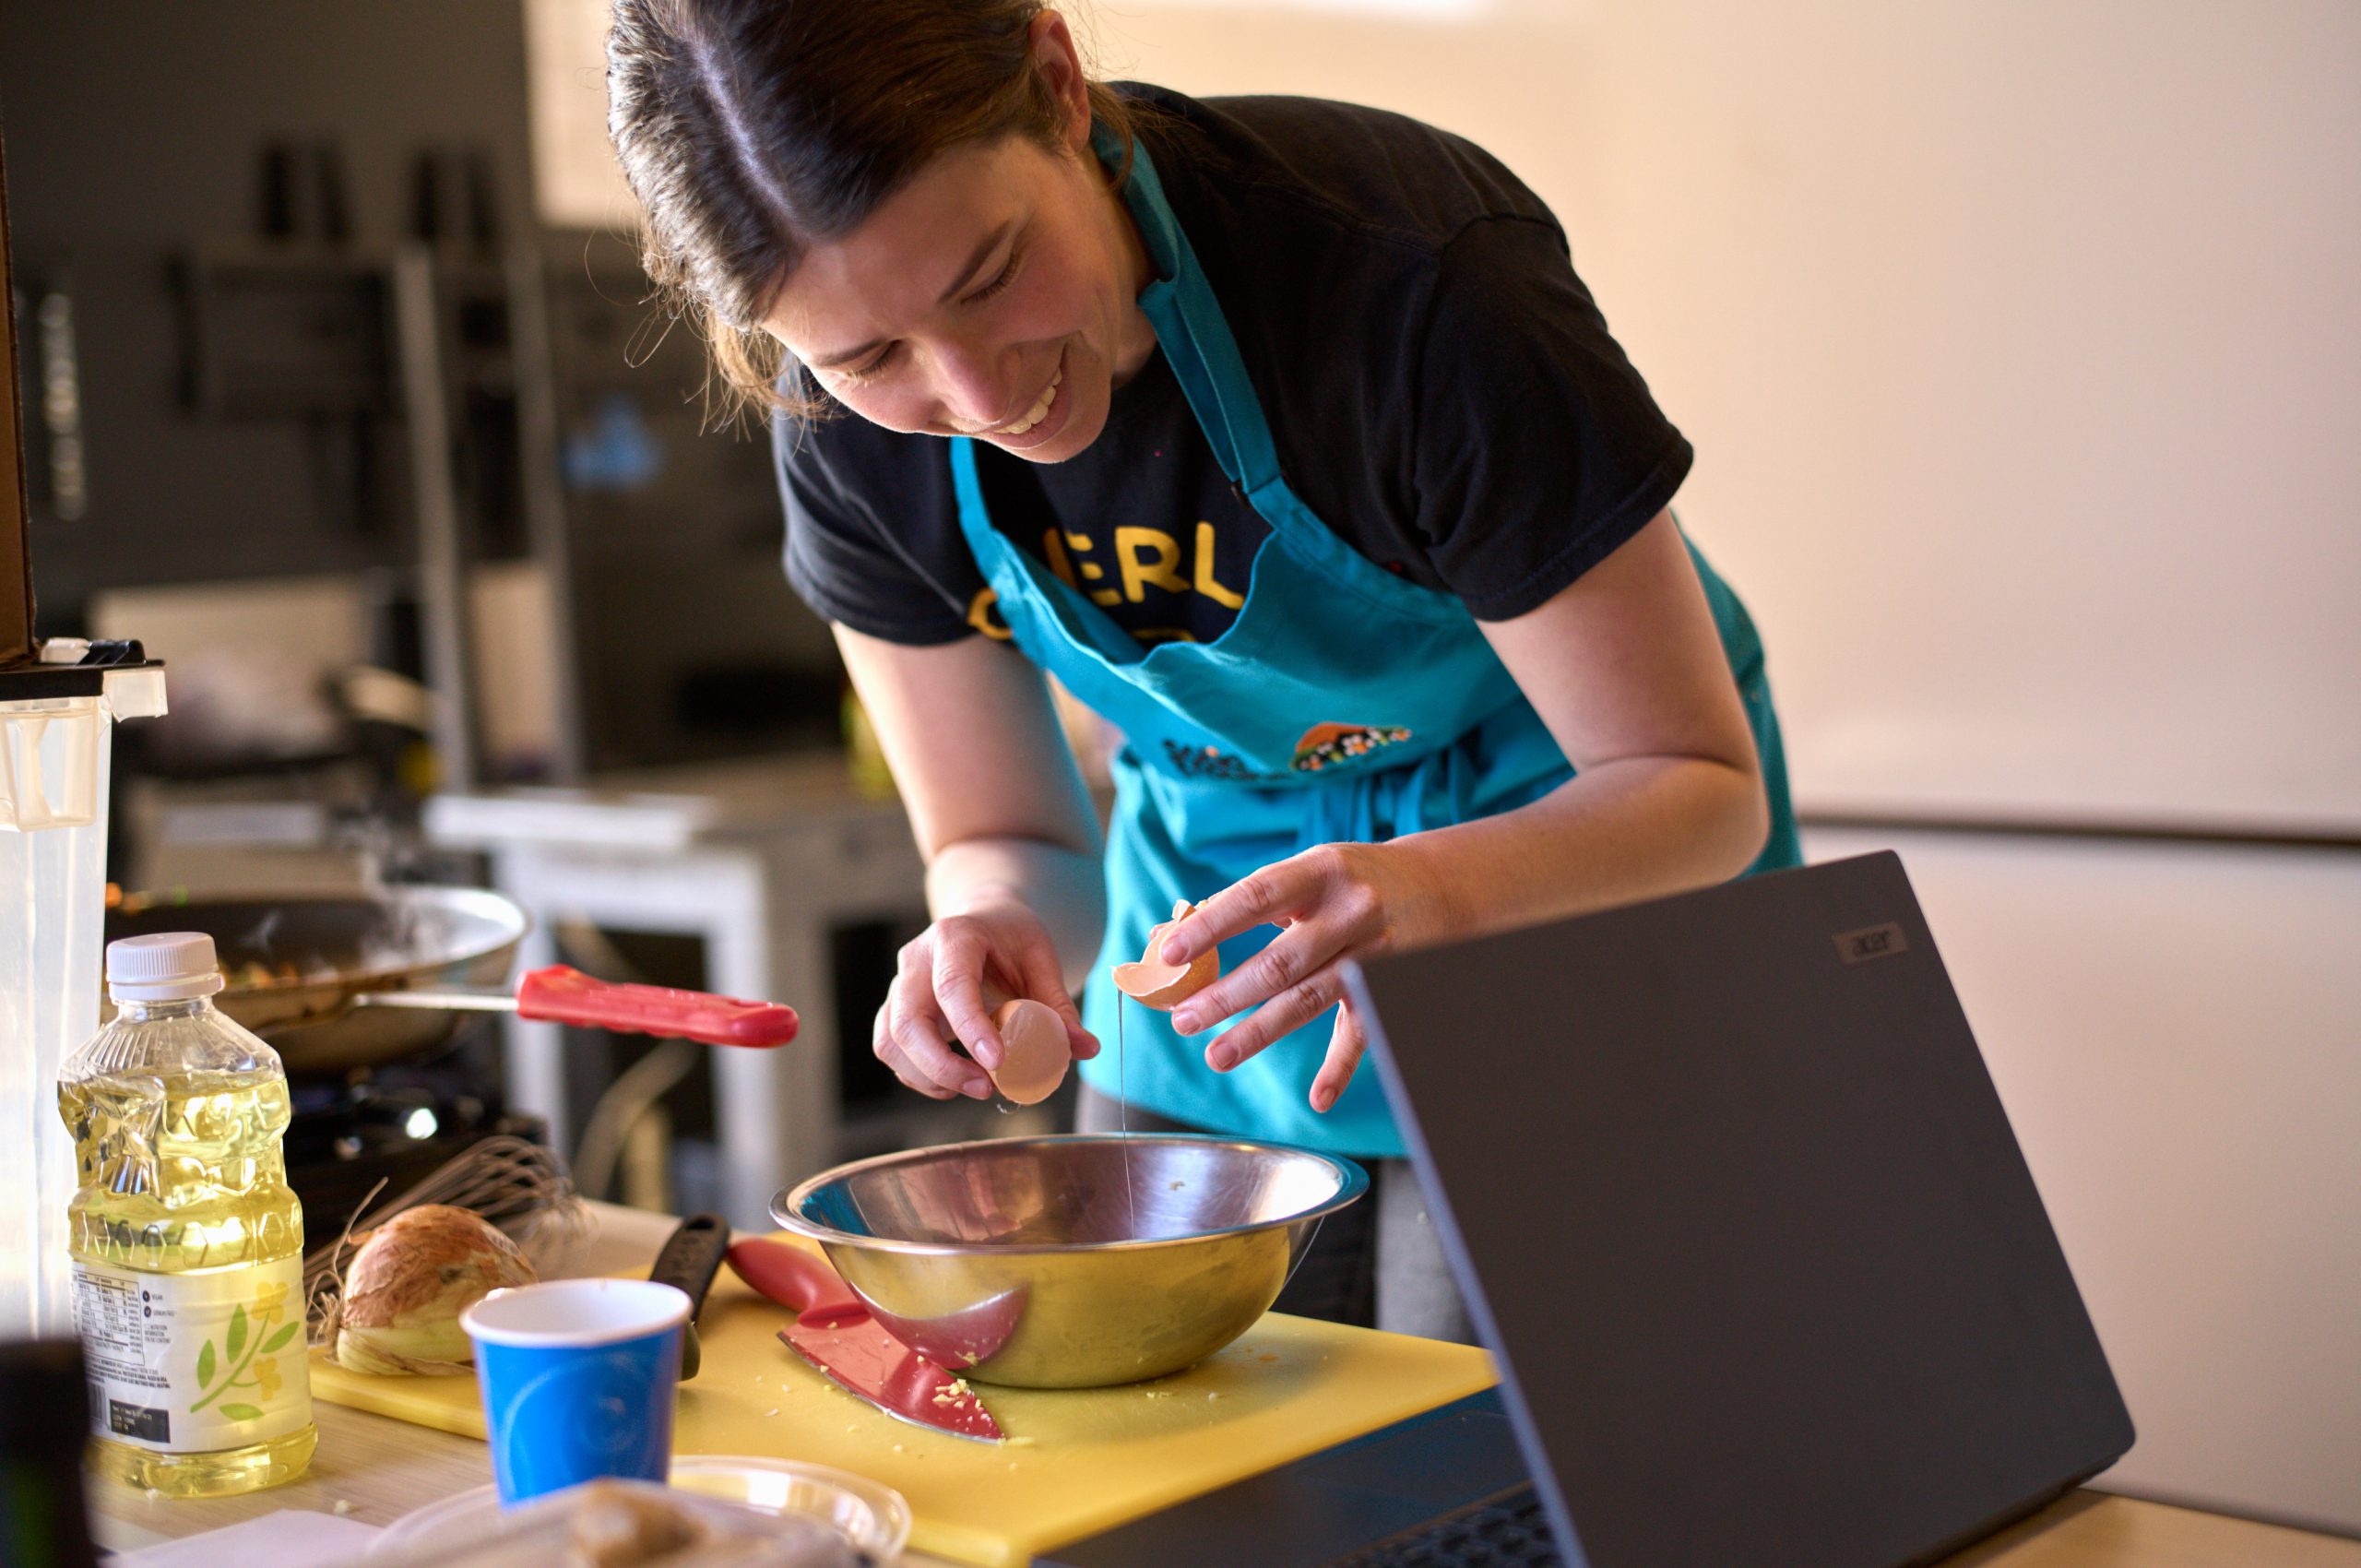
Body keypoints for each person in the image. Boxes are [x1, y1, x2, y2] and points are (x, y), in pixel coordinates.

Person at [606, 0, 1800, 1339]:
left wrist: (1430, 887)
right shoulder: (843, 439)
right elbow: (1008, 838)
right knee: (1184, 1422)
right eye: (874, 356)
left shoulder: (1415, 285)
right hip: (1216, 904)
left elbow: (1696, 785)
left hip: (1558, 854)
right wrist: (990, 925)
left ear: (1057, 81)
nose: (982, 395)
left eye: (991, 274)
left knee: (1482, 1443)